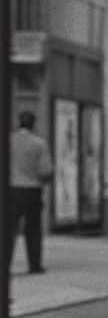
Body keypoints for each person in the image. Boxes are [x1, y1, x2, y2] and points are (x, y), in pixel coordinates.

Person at [9, 110, 53, 273]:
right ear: (33, 124)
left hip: (11, 189)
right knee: (33, 228)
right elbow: (44, 171)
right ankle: (34, 265)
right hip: (32, 191)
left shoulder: (9, 140)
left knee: (8, 229)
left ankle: (4, 264)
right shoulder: (39, 143)